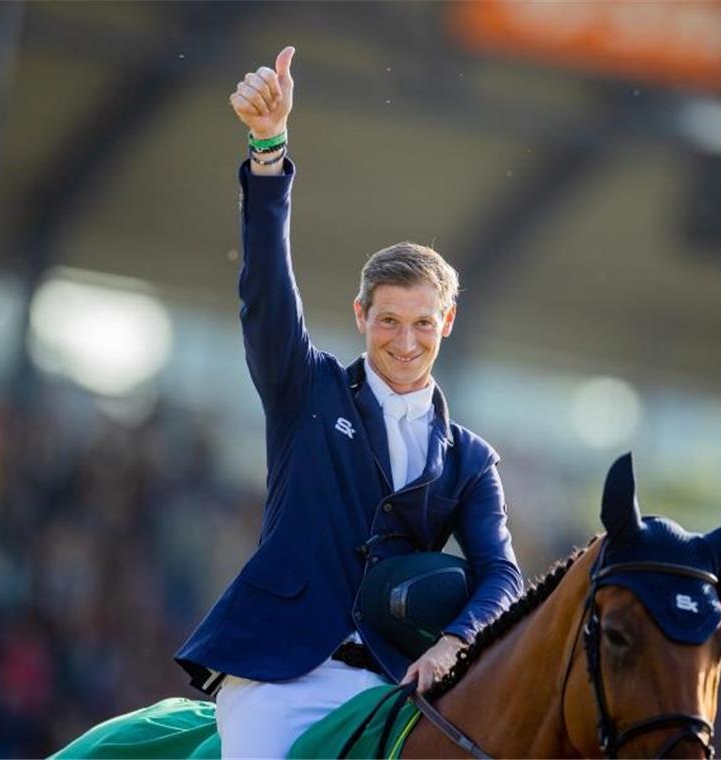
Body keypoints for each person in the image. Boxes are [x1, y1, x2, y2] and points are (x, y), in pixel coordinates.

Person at [174, 46, 524, 759]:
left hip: (395, 683)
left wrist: (456, 643)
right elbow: (267, 292)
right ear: (360, 314)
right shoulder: (306, 387)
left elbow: (502, 573)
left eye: (423, 322)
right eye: (388, 320)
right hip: (275, 676)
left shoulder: (470, 460)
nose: (405, 339)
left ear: (447, 323)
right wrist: (268, 152)